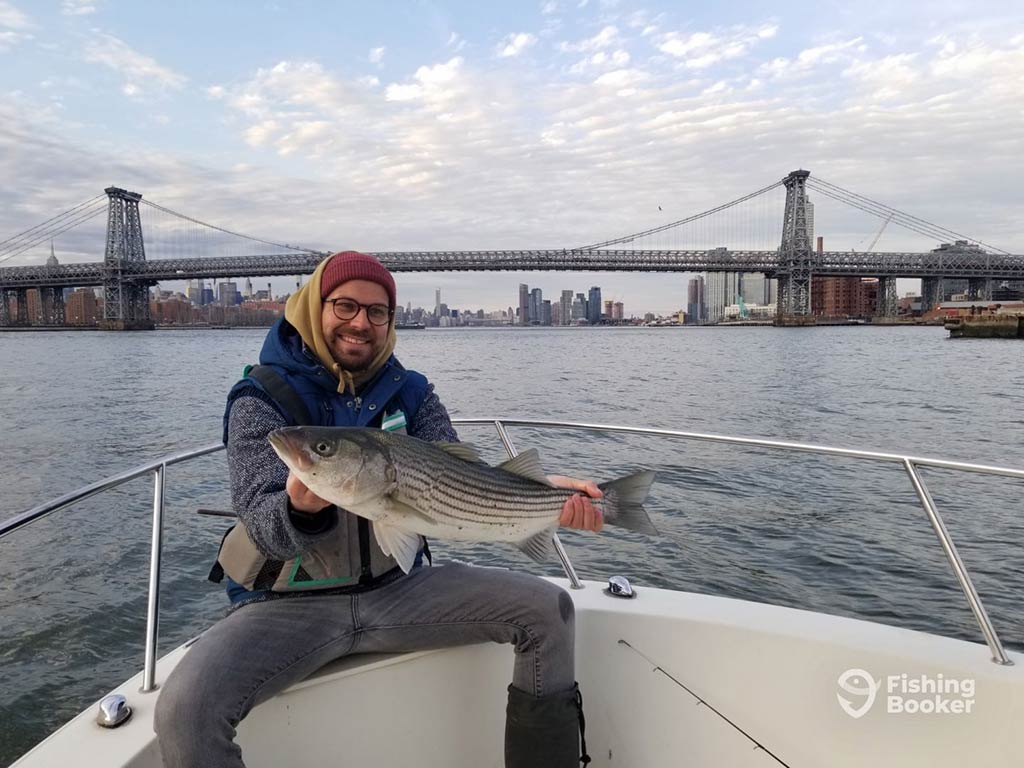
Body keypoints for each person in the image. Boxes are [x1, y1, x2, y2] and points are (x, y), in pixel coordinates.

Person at [154, 251, 603, 767]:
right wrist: (299, 508)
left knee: (548, 611)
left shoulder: (412, 392)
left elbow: (463, 481)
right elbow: (262, 524)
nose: (360, 323)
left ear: (390, 321)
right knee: (184, 711)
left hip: (400, 590)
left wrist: (544, 494)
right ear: (314, 309)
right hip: (284, 609)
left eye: (376, 312)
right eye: (344, 306)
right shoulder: (261, 398)